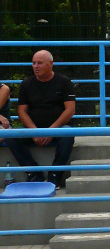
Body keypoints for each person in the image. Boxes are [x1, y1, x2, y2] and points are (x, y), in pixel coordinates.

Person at [7, 50, 76, 187]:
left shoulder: (64, 82)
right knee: (10, 136)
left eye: (39, 63)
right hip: (33, 130)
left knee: (68, 134)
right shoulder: (27, 84)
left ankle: (55, 175)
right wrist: (34, 131)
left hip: (57, 129)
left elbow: (70, 110)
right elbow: (22, 111)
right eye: (33, 63)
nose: (36, 66)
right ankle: (34, 173)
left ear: (51, 64)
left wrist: (51, 130)